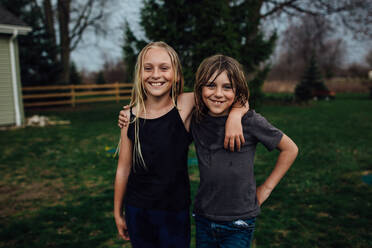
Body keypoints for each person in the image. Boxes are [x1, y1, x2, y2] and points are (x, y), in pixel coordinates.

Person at [114, 42, 248, 248]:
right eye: (148, 68)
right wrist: (117, 211)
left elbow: (236, 96)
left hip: (174, 211)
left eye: (164, 68)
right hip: (137, 210)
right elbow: (123, 169)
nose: (156, 74)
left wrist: (236, 116)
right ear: (139, 74)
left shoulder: (186, 104)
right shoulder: (130, 116)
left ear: (176, 74)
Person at [190, 54, 298, 248]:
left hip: (239, 221)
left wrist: (266, 189)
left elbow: (290, 149)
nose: (218, 93)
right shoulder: (197, 119)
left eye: (227, 87)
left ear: (238, 90)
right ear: (200, 88)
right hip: (204, 217)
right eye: (211, 85)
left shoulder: (250, 121)